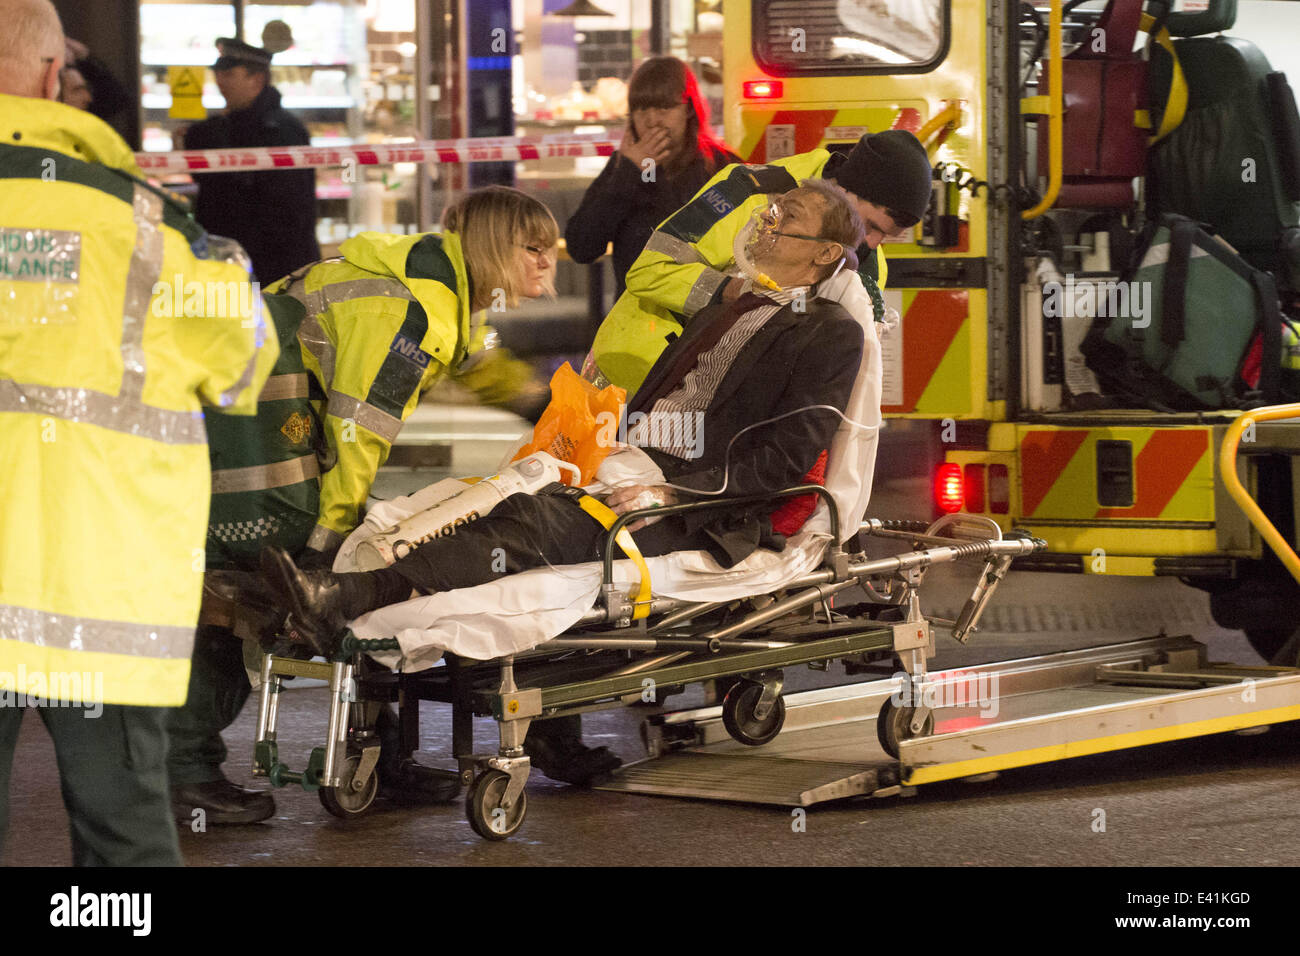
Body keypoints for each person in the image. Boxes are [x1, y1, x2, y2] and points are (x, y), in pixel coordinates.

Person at [261, 178, 870, 784]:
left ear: (822, 254)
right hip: (632, 461)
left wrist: (673, 492)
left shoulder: (830, 332)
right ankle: (349, 585)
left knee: (533, 523)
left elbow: (786, 456)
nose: (764, 223)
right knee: (482, 495)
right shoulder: (727, 304)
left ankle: (353, 594)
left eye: (784, 217)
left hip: (704, 504)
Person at [168, 186, 557, 823]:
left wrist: (535, 402)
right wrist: (328, 542)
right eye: (532, 249)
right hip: (257, 422)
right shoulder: (417, 309)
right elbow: (359, 433)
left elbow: (475, 357)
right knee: (256, 586)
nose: (547, 263)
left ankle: (378, 750)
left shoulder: (440, 284)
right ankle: (185, 773)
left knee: (345, 577)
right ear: (491, 247)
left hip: (261, 409)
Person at [0, 0, 278, 865]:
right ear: (56, 79)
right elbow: (244, 358)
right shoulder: (149, 226)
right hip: (96, 589)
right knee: (123, 845)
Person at [587, 128, 933, 393]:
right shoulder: (748, 190)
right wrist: (733, 292)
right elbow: (649, 271)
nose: (871, 243)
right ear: (844, 187)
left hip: (718, 405)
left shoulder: (870, 266)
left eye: (886, 234)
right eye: (871, 225)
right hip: (628, 380)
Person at [564, 56, 741, 298]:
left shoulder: (723, 166)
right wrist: (629, 172)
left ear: (688, 109)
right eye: (641, 108)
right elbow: (582, 247)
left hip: (705, 318)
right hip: (636, 318)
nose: (651, 120)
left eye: (664, 108)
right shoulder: (622, 167)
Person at [184, 37, 320, 286]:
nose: (220, 81)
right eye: (218, 74)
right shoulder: (224, 126)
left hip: (273, 266)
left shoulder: (282, 130)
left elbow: (284, 209)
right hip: (233, 261)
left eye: (229, 74)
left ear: (256, 79)